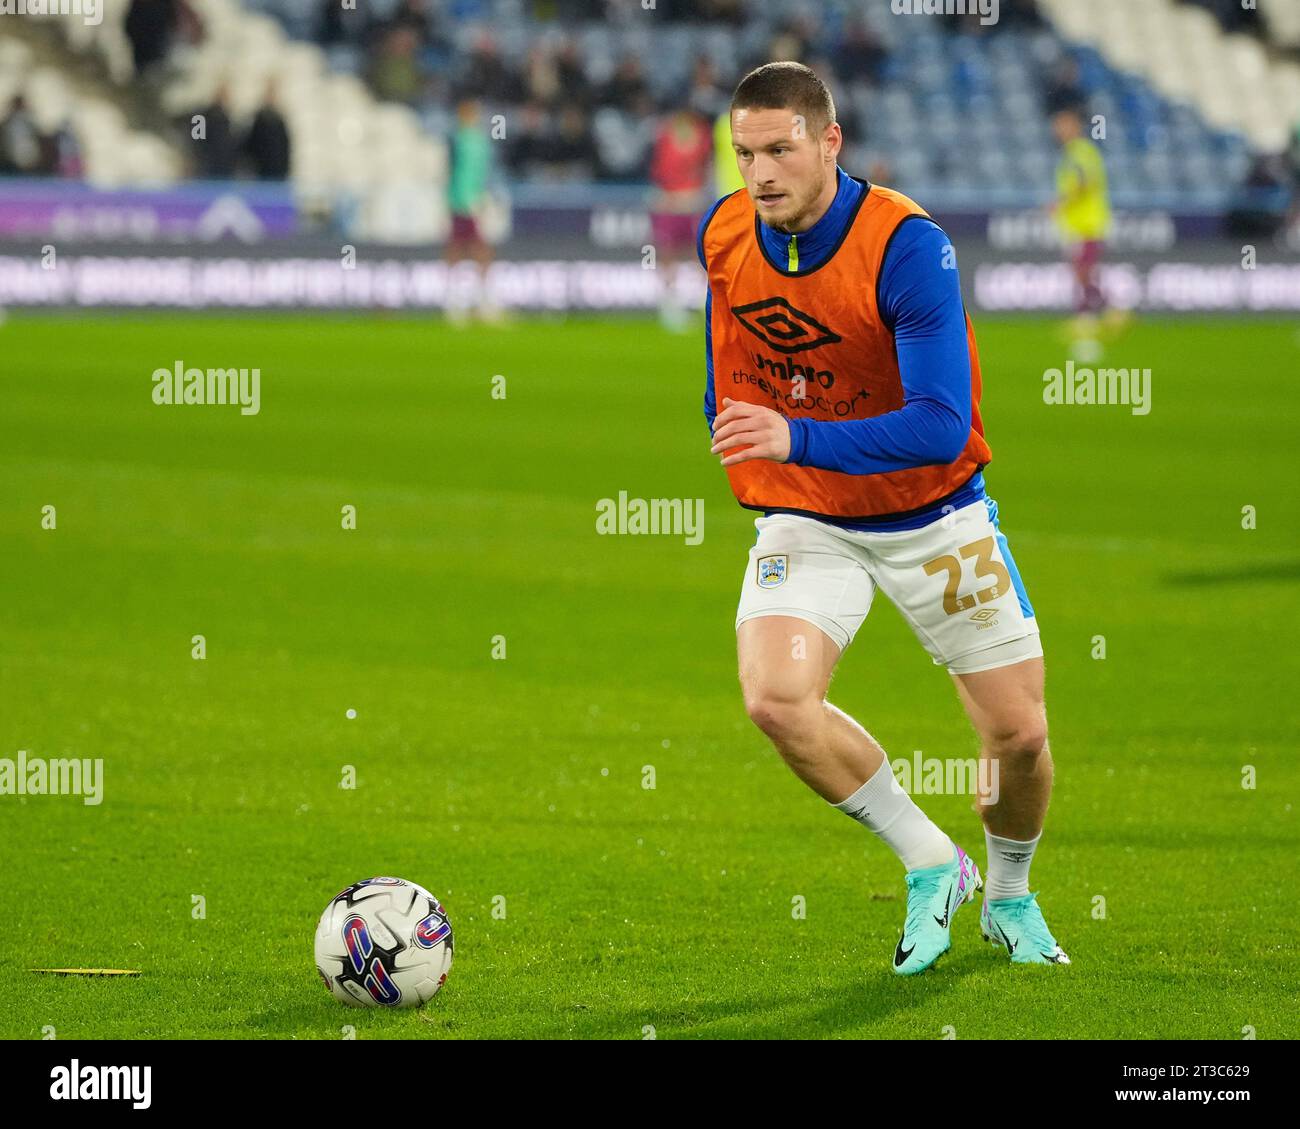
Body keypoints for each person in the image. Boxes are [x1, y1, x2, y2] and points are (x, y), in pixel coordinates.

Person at [699, 62, 1067, 975]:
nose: (760, 173)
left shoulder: (906, 245)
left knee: (1017, 736)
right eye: (745, 153)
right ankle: (930, 860)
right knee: (775, 699)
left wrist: (797, 433)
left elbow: (941, 423)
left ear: (830, 142)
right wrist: (754, 425)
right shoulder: (724, 233)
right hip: (810, 514)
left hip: (933, 514)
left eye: (780, 149)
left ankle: (1011, 893)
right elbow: (729, 369)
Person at [1051, 106, 1113, 360]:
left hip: (1086, 224)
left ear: (1074, 126)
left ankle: (1088, 322)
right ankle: (1109, 312)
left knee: (1083, 273)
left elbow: (1084, 181)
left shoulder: (1080, 151)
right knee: (1083, 274)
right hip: (1079, 225)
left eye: (1063, 124)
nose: (1058, 130)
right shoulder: (1074, 152)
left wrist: (1062, 202)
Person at [649, 107, 711, 332]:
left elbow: (705, 168)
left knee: (701, 257)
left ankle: (704, 304)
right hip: (672, 206)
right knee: (667, 256)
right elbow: (660, 172)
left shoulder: (702, 136)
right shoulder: (665, 136)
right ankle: (669, 306)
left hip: (692, 205)